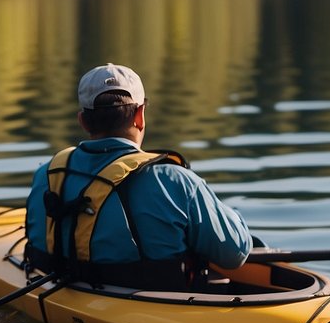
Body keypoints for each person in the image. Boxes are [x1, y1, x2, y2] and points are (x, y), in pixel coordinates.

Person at [24, 63, 252, 289]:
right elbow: (235, 254)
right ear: (140, 115)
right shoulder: (176, 181)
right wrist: (234, 217)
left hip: (63, 290)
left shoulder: (47, 174)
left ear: (82, 121)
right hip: (157, 310)